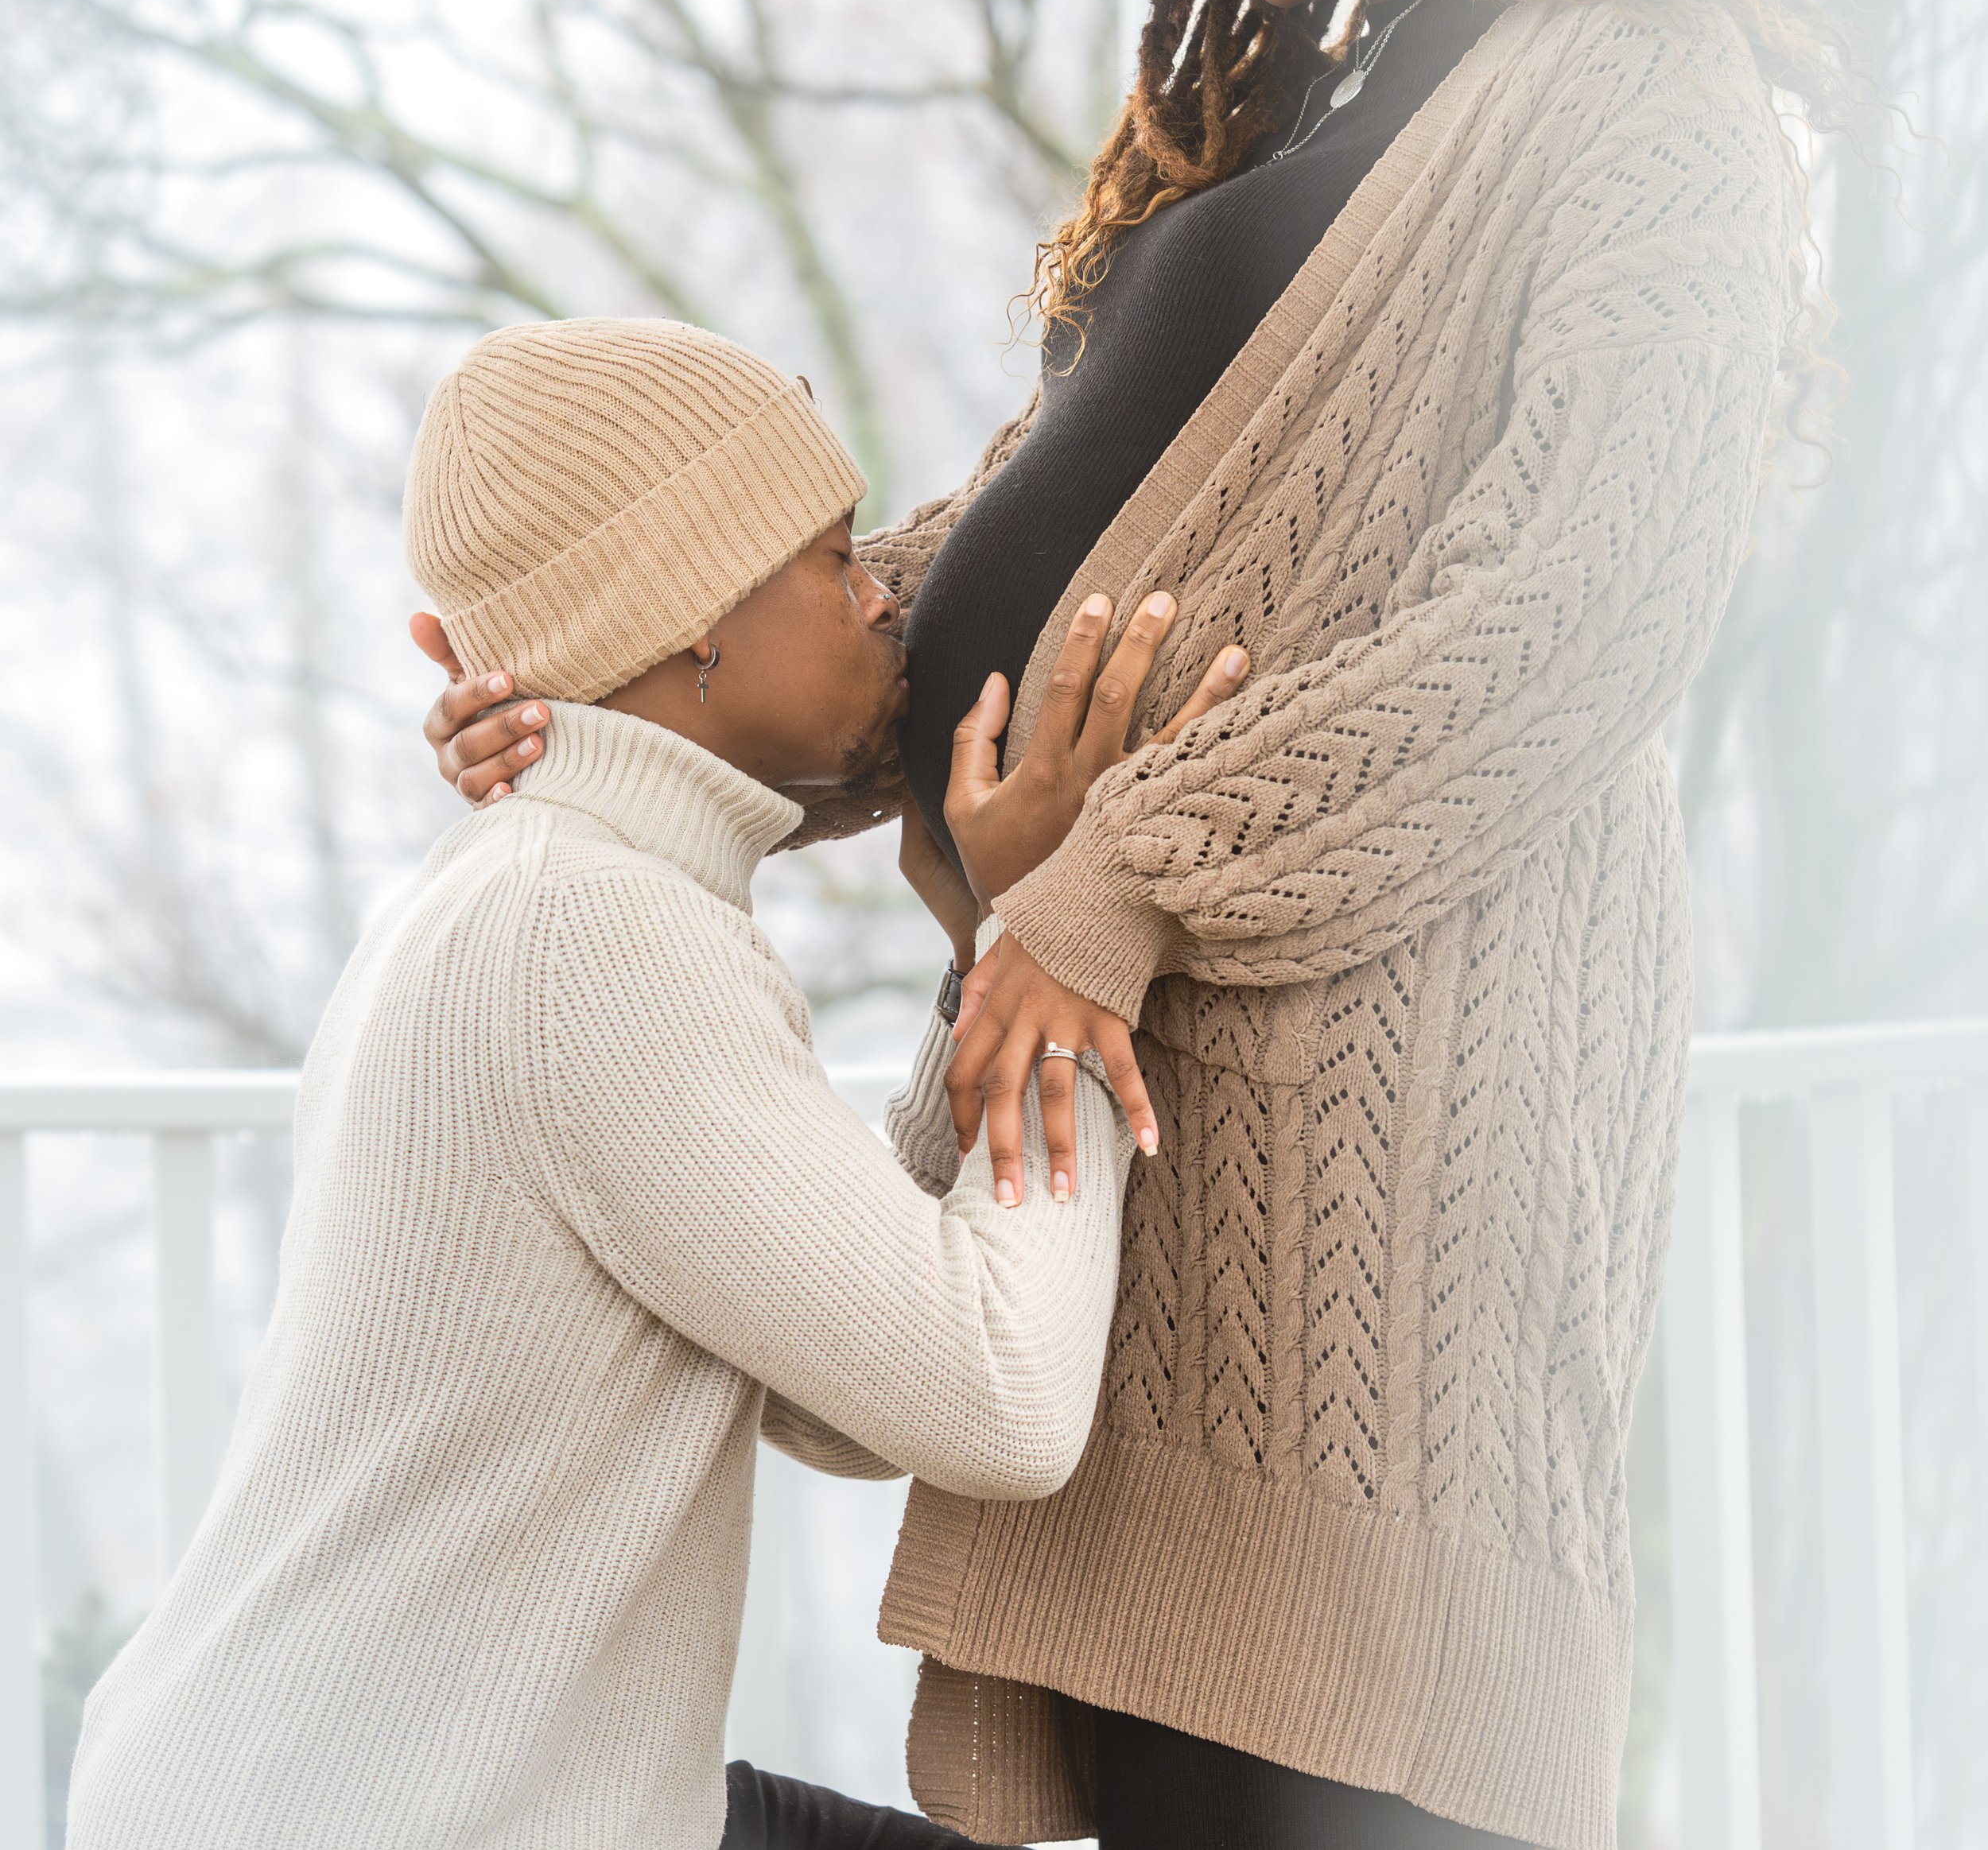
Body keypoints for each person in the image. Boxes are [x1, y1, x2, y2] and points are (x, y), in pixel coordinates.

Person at [427, 0, 1846, 1850]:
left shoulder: (1641, 95)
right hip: (1139, 1175)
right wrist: (618, 700)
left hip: (1358, 1237)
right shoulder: (1317, 101)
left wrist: (1124, 873)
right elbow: (1006, 549)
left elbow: (1566, 610)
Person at [66, 317, 1241, 1850]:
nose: (885, 594)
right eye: (833, 560)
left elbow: (845, 1402)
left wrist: (983, 960)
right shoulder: (589, 937)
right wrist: (1067, 937)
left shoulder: (547, 891)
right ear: (695, 617)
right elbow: (1002, 1403)